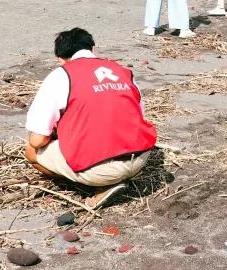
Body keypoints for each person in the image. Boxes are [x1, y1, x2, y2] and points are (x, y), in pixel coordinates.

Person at [24, 28, 157, 210]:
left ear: (61, 59)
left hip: (100, 167)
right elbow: (138, 114)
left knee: (31, 151)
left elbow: (37, 140)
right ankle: (112, 176)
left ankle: (100, 185)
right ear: (93, 49)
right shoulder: (122, 71)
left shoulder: (61, 75)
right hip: (140, 157)